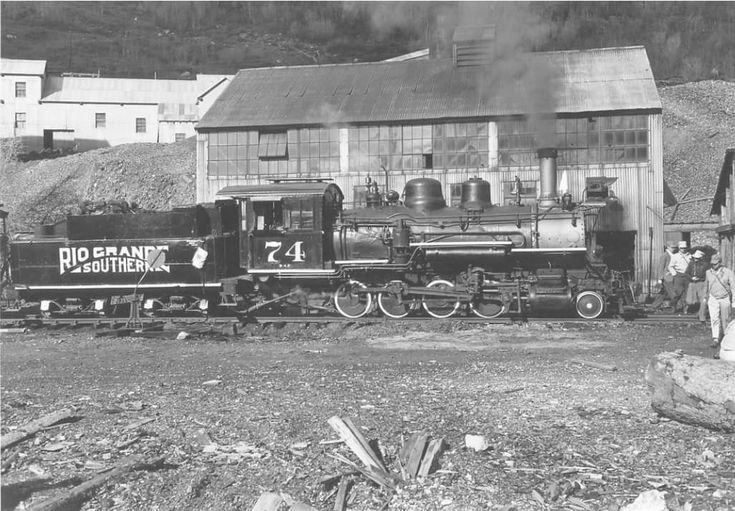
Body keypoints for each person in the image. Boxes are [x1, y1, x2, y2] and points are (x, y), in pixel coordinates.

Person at [704, 253, 735, 355]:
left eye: (716, 264)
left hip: (725, 298)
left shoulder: (728, 272)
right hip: (713, 298)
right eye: (712, 264)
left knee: (726, 319)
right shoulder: (708, 272)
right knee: (714, 318)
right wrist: (705, 297)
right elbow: (706, 285)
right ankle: (716, 338)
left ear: (720, 263)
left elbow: (733, 287)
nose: (714, 266)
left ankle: (727, 339)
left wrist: (734, 301)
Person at [685, 249, 709, 322]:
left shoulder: (705, 265)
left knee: (702, 299)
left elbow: (707, 275)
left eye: (697, 258)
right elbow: (686, 273)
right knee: (690, 299)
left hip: (701, 283)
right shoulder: (691, 264)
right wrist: (691, 278)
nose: (695, 259)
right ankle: (687, 310)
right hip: (692, 282)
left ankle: (701, 315)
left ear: (701, 258)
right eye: (695, 258)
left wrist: (700, 278)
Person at [667, 240, 691, 313]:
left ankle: (685, 308)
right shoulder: (675, 256)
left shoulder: (690, 256)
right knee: (677, 292)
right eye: (681, 248)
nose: (683, 249)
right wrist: (675, 274)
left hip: (687, 276)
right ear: (679, 248)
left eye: (684, 248)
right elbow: (670, 266)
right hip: (679, 275)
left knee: (687, 293)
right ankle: (674, 307)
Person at [650, 244, 675, 310]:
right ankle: (678, 306)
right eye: (672, 247)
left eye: (674, 247)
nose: (673, 249)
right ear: (668, 247)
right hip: (666, 277)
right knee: (672, 292)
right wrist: (660, 278)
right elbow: (661, 267)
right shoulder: (664, 256)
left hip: (671, 276)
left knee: (663, 293)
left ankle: (654, 305)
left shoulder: (673, 255)